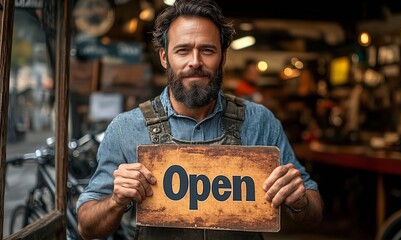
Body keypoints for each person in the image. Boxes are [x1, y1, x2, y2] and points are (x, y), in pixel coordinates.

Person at [76, 0, 324, 239]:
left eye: (207, 50)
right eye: (182, 50)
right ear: (164, 58)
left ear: (223, 57)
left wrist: (299, 200)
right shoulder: (126, 129)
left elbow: (314, 213)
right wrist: (116, 201)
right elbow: (87, 228)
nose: (195, 62)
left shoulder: (259, 122)